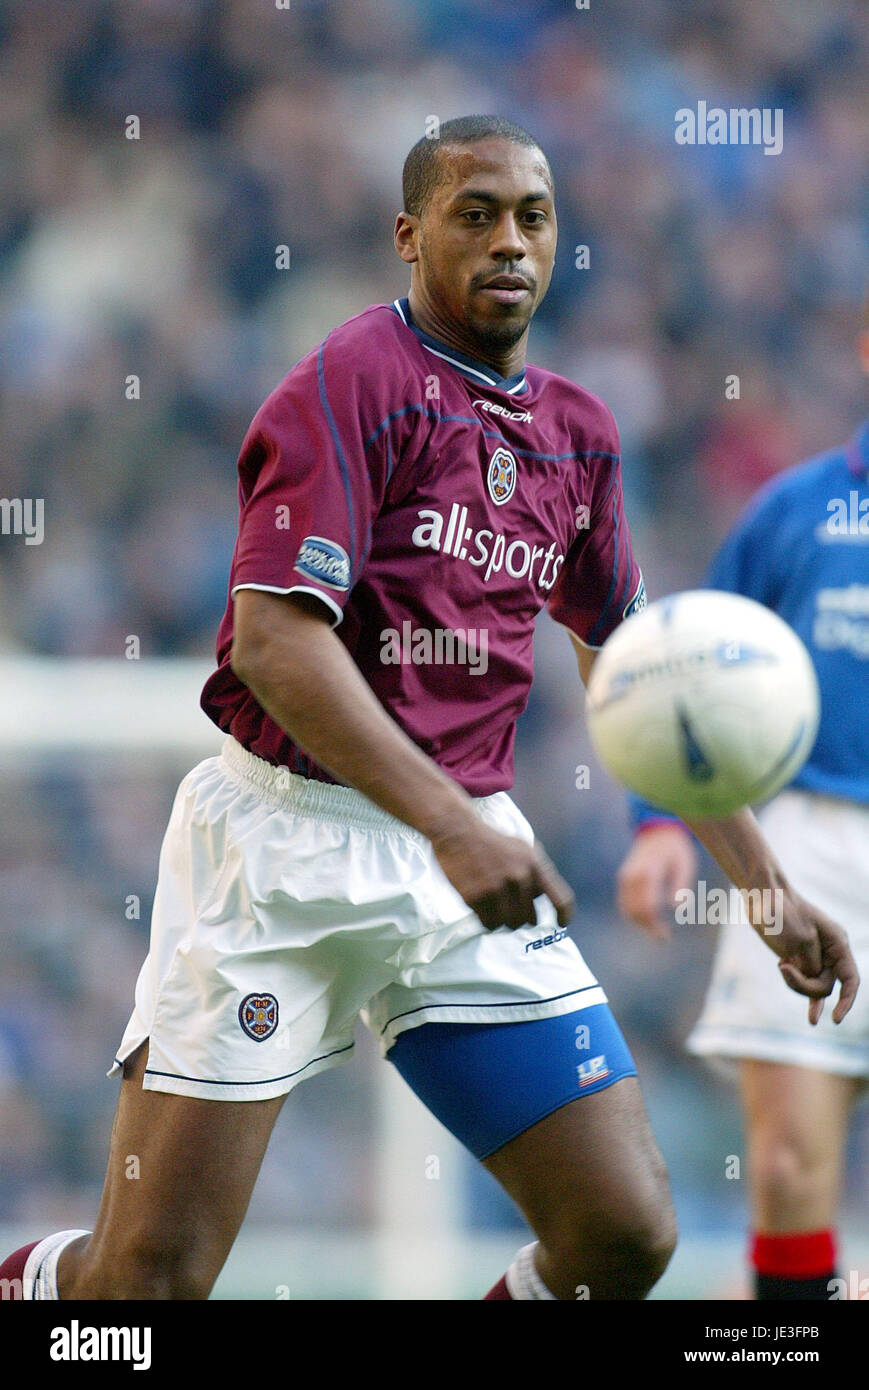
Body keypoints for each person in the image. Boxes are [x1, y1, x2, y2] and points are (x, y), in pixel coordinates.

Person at [0, 116, 858, 1303]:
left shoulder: (579, 436)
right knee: (143, 1289)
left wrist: (761, 887)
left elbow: (635, 676)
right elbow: (272, 644)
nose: (509, 241)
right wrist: (453, 825)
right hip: (280, 849)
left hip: (463, 858)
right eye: (475, 215)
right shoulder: (354, 381)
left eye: (532, 217)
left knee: (621, 1235)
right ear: (409, 237)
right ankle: (36, 1285)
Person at [618, 361, 869, 1300]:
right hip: (800, 848)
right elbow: (685, 683)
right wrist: (658, 824)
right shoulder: (792, 512)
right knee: (786, 1174)